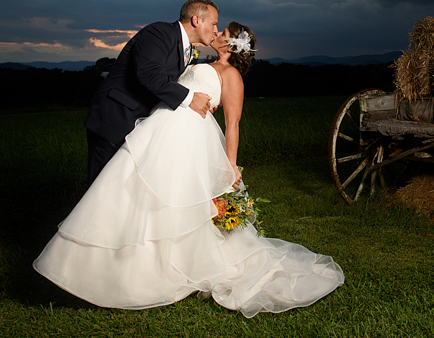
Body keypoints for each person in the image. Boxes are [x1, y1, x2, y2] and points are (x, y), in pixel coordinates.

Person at [34, 23, 344, 316]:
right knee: (131, 190)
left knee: (174, 199)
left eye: (224, 32)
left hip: (188, 138)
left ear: (233, 45)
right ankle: (106, 270)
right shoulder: (198, 61)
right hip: (158, 129)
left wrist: (230, 165)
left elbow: (233, 124)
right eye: (218, 27)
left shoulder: (232, 75)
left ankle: (168, 269)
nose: (217, 32)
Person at [84, 0, 219, 185]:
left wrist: (200, 104)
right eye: (214, 24)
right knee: (101, 188)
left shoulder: (186, 48)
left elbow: (168, 85)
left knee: (123, 188)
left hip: (138, 124)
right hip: (115, 119)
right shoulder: (159, 32)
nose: (216, 30)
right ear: (196, 20)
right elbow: (148, 73)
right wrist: (190, 99)